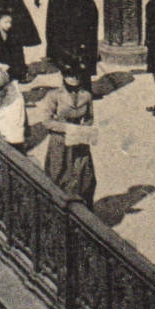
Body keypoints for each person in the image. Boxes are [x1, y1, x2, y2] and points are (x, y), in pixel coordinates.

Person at [43, 62, 97, 208]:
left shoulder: (86, 96)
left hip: (79, 141)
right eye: (70, 75)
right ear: (64, 76)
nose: (74, 79)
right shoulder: (54, 95)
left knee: (85, 177)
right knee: (59, 176)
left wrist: (85, 129)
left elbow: (89, 118)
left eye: (77, 75)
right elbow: (47, 121)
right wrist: (67, 128)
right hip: (60, 142)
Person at [0, 0, 41, 83]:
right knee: (17, 53)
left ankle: (9, 74)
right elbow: (24, 14)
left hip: (4, 31)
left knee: (5, 53)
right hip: (16, 31)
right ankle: (20, 74)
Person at [65, 0, 101, 92]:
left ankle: (86, 91)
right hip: (82, 38)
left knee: (83, 66)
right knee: (81, 65)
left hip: (83, 38)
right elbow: (77, 20)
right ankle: (83, 92)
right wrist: (81, 42)